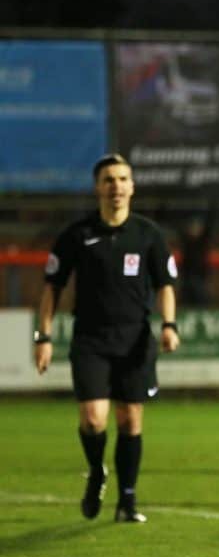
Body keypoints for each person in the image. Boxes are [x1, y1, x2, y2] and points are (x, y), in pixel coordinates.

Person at [34, 153, 180, 523]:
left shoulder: (148, 234)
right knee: (94, 419)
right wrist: (44, 336)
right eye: (109, 180)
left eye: (122, 179)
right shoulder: (76, 235)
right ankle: (97, 469)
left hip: (134, 341)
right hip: (90, 340)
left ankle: (127, 501)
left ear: (132, 186)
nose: (116, 186)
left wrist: (169, 325)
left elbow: (165, 285)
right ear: (98, 188)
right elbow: (52, 287)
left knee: (130, 420)